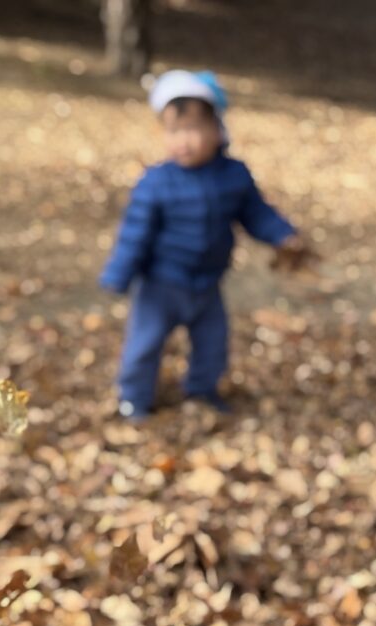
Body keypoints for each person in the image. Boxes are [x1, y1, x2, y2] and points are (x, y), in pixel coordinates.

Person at [99, 69, 308, 420]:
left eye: (194, 129)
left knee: (212, 345)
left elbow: (256, 213)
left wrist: (283, 235)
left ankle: (201, 390)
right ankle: (133, 398)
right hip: (160, 284)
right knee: (143, 345)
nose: (184, 140)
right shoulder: (156, 183)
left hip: (207, 284)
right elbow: (136, 231)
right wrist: (119, 273)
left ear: (217, 129)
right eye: (174, 131)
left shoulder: (233, 176)